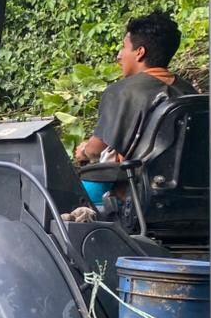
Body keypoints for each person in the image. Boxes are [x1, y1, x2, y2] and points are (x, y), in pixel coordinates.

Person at [75, 10, 197, 205]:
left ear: (140, 52)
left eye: (124, 47)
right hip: (187, 197)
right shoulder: (188, 91)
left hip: (136, 200)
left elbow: (96, 149)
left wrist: (84, 151)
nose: (119, 55)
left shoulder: (122, 92)